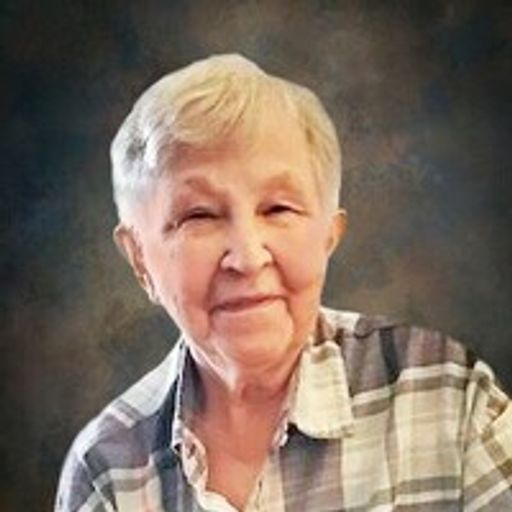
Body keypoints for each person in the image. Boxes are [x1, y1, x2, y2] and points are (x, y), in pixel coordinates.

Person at [55, 54, 512, 512]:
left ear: (328, 235)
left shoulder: (451, 399)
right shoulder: (106, 472)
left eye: (278, 209)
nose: (247, 258)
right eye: (199, 216)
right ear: (140, 259)